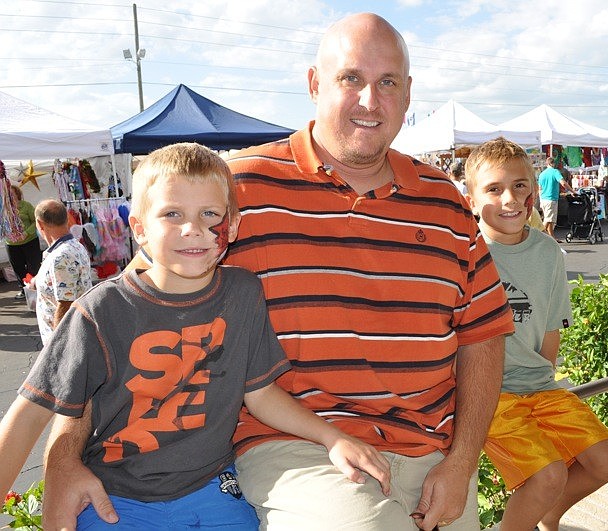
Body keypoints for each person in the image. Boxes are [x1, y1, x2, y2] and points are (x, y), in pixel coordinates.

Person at [42, 14, 514, 531]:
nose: (369, 101)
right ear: (315, 84)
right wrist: (63, 455)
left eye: (387, 83)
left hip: (432, 458)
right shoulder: (236, 189)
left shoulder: (443, 200)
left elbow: (483, 336)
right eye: (350, 78)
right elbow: (126, 310)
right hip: (301, 448)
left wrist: (463, 460)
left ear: (407, 93)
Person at [0, 143, 391, 529]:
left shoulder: (243, 293)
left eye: (210, 214)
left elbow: (261, 394)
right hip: (119, 499)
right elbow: (29, 413)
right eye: (172, 214)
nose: (194, 230)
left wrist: (333, 438)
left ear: (232, 226)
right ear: (139, 228)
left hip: (214, 490)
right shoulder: (100, 311)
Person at [463, 137, 608, 531]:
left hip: (539, 386)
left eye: (520, 185)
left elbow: (550, 329)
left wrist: (544, 384)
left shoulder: (549, 253)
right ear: (470, 201)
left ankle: (550, 513)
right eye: (494, 189)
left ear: (534, 190)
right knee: (547, 476)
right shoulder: (466, 253)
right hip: (490, 392)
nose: (510, 199)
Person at [31, 199, 92, 345]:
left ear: (40, 224)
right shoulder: (71, 246)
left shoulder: (62, 256)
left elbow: (65, 303)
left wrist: (57, 347)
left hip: (66, 340)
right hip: (75, 334)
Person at [4, 185, 42, 300]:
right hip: (12, 243)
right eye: (8, 194)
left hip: (30, 241)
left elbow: (36, 220)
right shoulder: (3, 208)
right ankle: (24, 289)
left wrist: (26, 233)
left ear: (17, 194)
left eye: (12, 193)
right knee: (18, 267)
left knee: (34, 265)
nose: (10, 196)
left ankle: (37, 287)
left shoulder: (26, 206)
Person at [538, 156, 576, 241]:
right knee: (548, 219)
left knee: (550, 219)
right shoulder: (555, 172)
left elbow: (539, 188)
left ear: (546, 164)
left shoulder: (542, 174)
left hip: (544, 199)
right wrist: (572, 191)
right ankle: (538, 237)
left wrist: (540, 200)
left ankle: (552, 238)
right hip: (551, 199)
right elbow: (563, 183)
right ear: (553, 163)